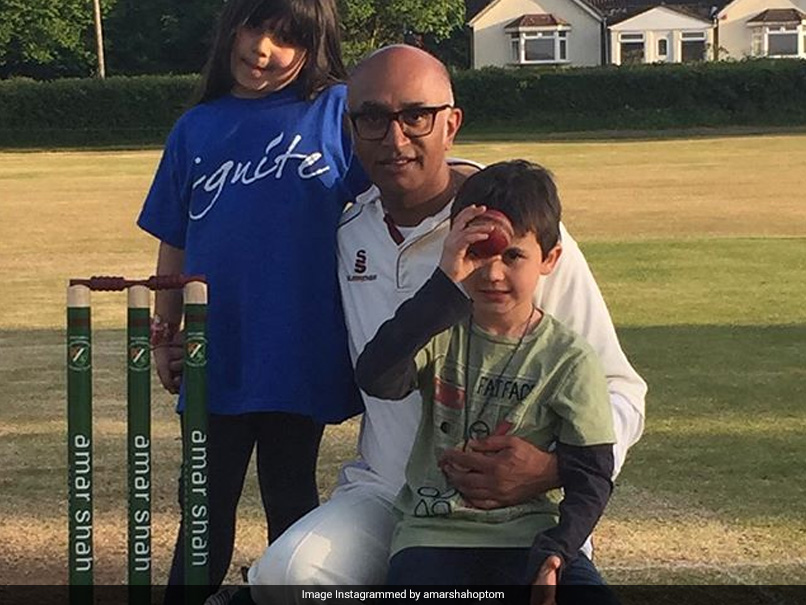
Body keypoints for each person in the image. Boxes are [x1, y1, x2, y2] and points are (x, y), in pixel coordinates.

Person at [248, 45, 646, 596]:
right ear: (351, 128)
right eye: (372, 118)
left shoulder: (518, 235)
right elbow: (307, 340)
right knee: (286, 578)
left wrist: (552, 468)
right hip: (391, 493)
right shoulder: (347, 235)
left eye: (416, 115)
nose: (395, 137)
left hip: (522, 504)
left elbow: (618, 388)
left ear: (451, 122)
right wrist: (185, 344)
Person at [136, 0, 368, 598]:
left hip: (300, 346)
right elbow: (175, 240)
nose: (262, 48)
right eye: (254, 27)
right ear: (230, 26)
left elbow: (398, 188)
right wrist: (165, 332)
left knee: (290, 503)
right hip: (218, 350)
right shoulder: (197, 126)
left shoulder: (336, 111)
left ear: (314, 47)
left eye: (286, 38)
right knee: (205, 511)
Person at [355, 159, 618, 601]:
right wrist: (443, 283)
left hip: (530, 534)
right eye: (480, 253)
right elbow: (377, 376)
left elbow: (592, 473)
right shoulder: (438, 333)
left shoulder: (567, 358)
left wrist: (558, 553)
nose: (493, 273)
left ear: (550, 259)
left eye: (513, 255)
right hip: (434, 533)